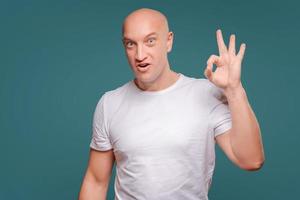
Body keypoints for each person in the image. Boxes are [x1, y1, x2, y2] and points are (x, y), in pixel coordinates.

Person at [78, 8, 265, 200]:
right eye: (131, 44)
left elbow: (251, 160)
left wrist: (234, 89)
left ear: (169, 41)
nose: (140, 55)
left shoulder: (205, 94)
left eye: (150, 41)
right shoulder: (109, 103)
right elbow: (95, 181)